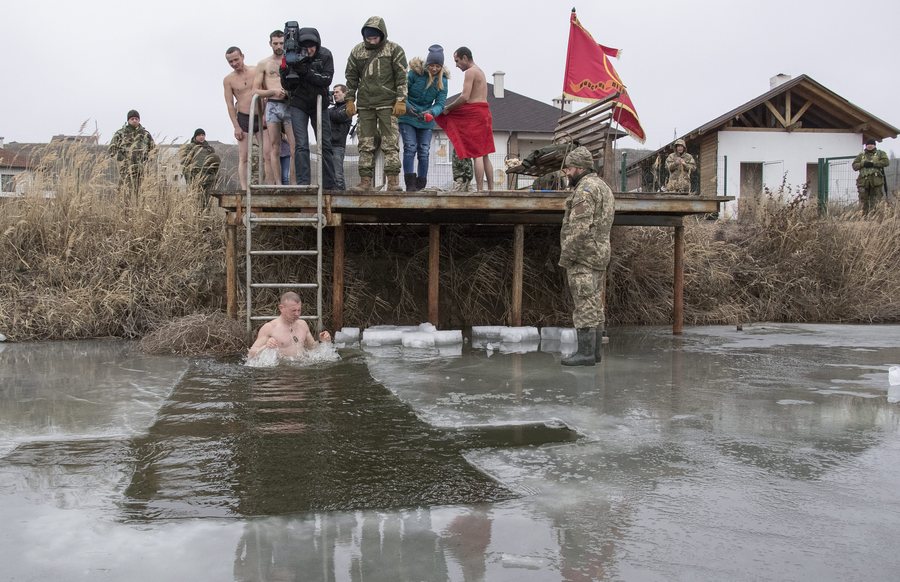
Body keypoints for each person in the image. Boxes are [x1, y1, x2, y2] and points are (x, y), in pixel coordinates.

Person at [558, 146, 615, 366]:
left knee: (584, 303)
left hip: (583, 256)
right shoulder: (603, 187)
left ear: (580, 168)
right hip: (600, 254)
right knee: (595, 303)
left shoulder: (585, 190)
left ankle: (585, 354)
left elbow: (579, 229)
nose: (567, 172)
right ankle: (595, 353)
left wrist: (567, 256)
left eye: (569, 168)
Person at [344, 16, 408, 192]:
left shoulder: (394, 50)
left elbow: (402, 77)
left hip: (388, 104)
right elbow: (351, 77)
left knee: (390, 143)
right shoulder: (357, 51)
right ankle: (365, 182)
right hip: (365, 105)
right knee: (365, 144)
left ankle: (393, 182)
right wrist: (349, 99)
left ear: (382, 34)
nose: (372, 41)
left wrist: (401, 100)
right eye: (368, 38)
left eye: (375, 37)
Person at [280, 27, 337, 189]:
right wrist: (286, 70)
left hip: (320, 103)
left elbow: (326, 79)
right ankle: (303, 184)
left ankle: (329, 185)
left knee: (325, 144)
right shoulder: (291, 55)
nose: (309, 50)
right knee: (301, 144)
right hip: (299, 103)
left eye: (312, 46)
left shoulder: (325, 55)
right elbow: (286, 85)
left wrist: (306, 71)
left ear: (317, 45)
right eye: (305, 47)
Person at [436, 47, 495, 192]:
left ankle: (480, 190)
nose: (456, 65)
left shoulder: (470, 72)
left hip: (475, 114)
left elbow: (464, 97)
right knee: (485, 154)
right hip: (485, 113)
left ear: (465, 58)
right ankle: (491, 189)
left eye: (457, 61)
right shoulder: (480, 71)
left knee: (477, 155)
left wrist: (448, 108)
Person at [399, 44, 449, 192]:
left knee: (424, 150)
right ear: (427, 64)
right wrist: (407, 106)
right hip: (408, 116)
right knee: (410, 147)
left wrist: (432, 112)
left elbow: (440, 103)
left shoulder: (443, 81)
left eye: (438, 66)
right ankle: (410, 183)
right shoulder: (414, 74)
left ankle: (421, 183)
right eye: (432, 65)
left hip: (426, 118)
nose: (434, 69)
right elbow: (402, 92)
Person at [254, 30, 295, 185]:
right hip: (272, 105)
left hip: (289, 105)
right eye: (275, 43)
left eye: (281, 43)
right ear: (270, 43)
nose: (278, 46)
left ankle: (294, 183)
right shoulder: (264, 63)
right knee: (274, 146)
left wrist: (288, 92)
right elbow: (255, 90)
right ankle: (278, 183)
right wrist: (272, 91)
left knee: (294, 146)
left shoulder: (291, 60)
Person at [248, 291, 332, 358]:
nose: (297, 314)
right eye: (293, 310)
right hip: (281, 370)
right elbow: (250, 355)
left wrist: (324, 342)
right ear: (281, 308)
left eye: (299, 310)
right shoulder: (270, 328)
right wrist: (266, 347)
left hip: (301, 368)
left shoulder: (303, 324)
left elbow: (312, 348)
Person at [223, 47, 259, 190]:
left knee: (268, 153)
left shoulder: (256, 71)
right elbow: (229, 104)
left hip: (260, 115)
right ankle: (244, 188)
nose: (234, 63)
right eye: (230, 62)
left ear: (242, 56)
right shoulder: (228, 80)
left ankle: (269, 185)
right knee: (243, 156)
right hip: (243, 117)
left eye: (236, 60)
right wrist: (236, 126)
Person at [108, 109, 155, 202]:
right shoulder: (120, 133)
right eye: (132, 119)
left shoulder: (145, 134)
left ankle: (139, 210)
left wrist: (147, 158)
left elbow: (154, 149)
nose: (134, 120)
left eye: (136, 119)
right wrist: (122, 159)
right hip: (126, 171)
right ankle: (125, 210)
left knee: (141, 195)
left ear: (139, 120)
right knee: (125, 195)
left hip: (141, 171)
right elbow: (111, 149)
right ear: (128, 120)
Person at [178, 128, 221, 210]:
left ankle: (205, 214)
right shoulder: (190, 147)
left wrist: (214, 176)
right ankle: (195, 214)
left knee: (207, 200)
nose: (201, 137)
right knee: (195, 198)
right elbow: (184, 162)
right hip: (195, 176)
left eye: (203, 135)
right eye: (199, 135)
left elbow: (215, 164)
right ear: (195, 136)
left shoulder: (209, 148)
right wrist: (189, 175)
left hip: (208, 177)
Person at [852, 138, 890, 214]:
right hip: (863, 182)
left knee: (876, 201)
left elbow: (886, 162)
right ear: (866, 146)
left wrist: (873, 164)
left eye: (872, 144)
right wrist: (863, 164)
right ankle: (863, 217)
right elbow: (854, 166)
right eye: (868, 144)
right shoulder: (861, 155)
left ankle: (875, 217)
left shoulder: (880, 153)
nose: (870, 146)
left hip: (876, 182)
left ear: (875, 145)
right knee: (863, 202)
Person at [329, 84, 352, 190]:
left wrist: (326, 110)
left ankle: (341, 194)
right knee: (330, 174)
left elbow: (338, 116)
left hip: (338, 145)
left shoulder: (348, 108)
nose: (334, 94)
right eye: (333, 92)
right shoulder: (332, 109)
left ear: (345, 93)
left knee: (338, 175)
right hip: (328, 144)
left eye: (337, 92)